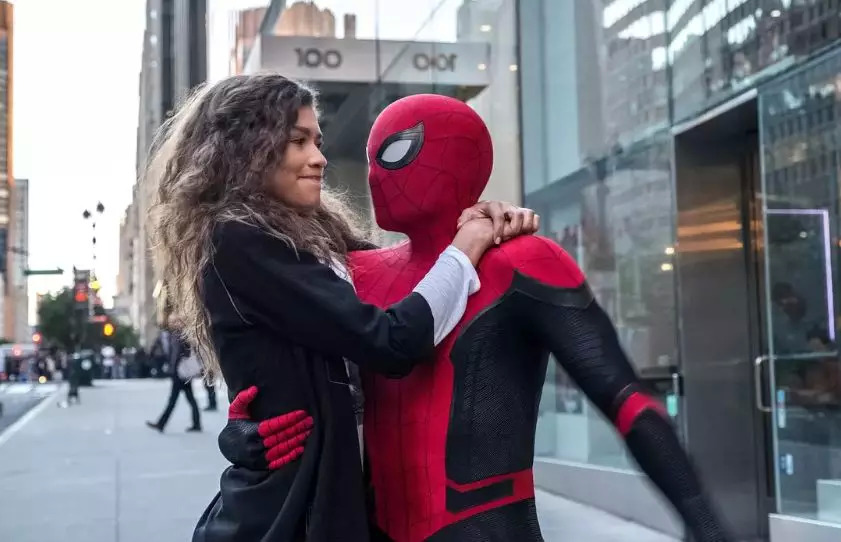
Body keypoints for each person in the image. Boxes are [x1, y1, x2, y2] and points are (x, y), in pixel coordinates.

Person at [223, 94, 732, 541]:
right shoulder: (353, 271)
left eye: (395, 151)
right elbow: (283, 365)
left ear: (459, 157)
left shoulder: (520, 262)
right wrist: (246, 434)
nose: (375, 173)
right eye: (370, 157)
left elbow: (625, 400)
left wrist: (708, 526)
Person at [144, 73, 538, 542]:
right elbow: (390, 339)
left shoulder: (313, 233)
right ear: (247, 149)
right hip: (292, 515)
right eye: (298, 141)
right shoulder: (240, 241)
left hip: (352, 498)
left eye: (317, 141)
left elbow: (410, 284)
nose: (319, 157)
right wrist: (466, 244)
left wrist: (475, 222)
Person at [145, 311, 202, 433]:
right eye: (172, 321)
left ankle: (161, 423)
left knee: (174, 399)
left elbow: (183, 353)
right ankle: (196, 423)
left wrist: (175, 366)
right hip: (179, 371)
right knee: (188, 398)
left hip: (180, 371)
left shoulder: (182, 335)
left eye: (175, 321)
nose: (173, 323)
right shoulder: (174, 335)